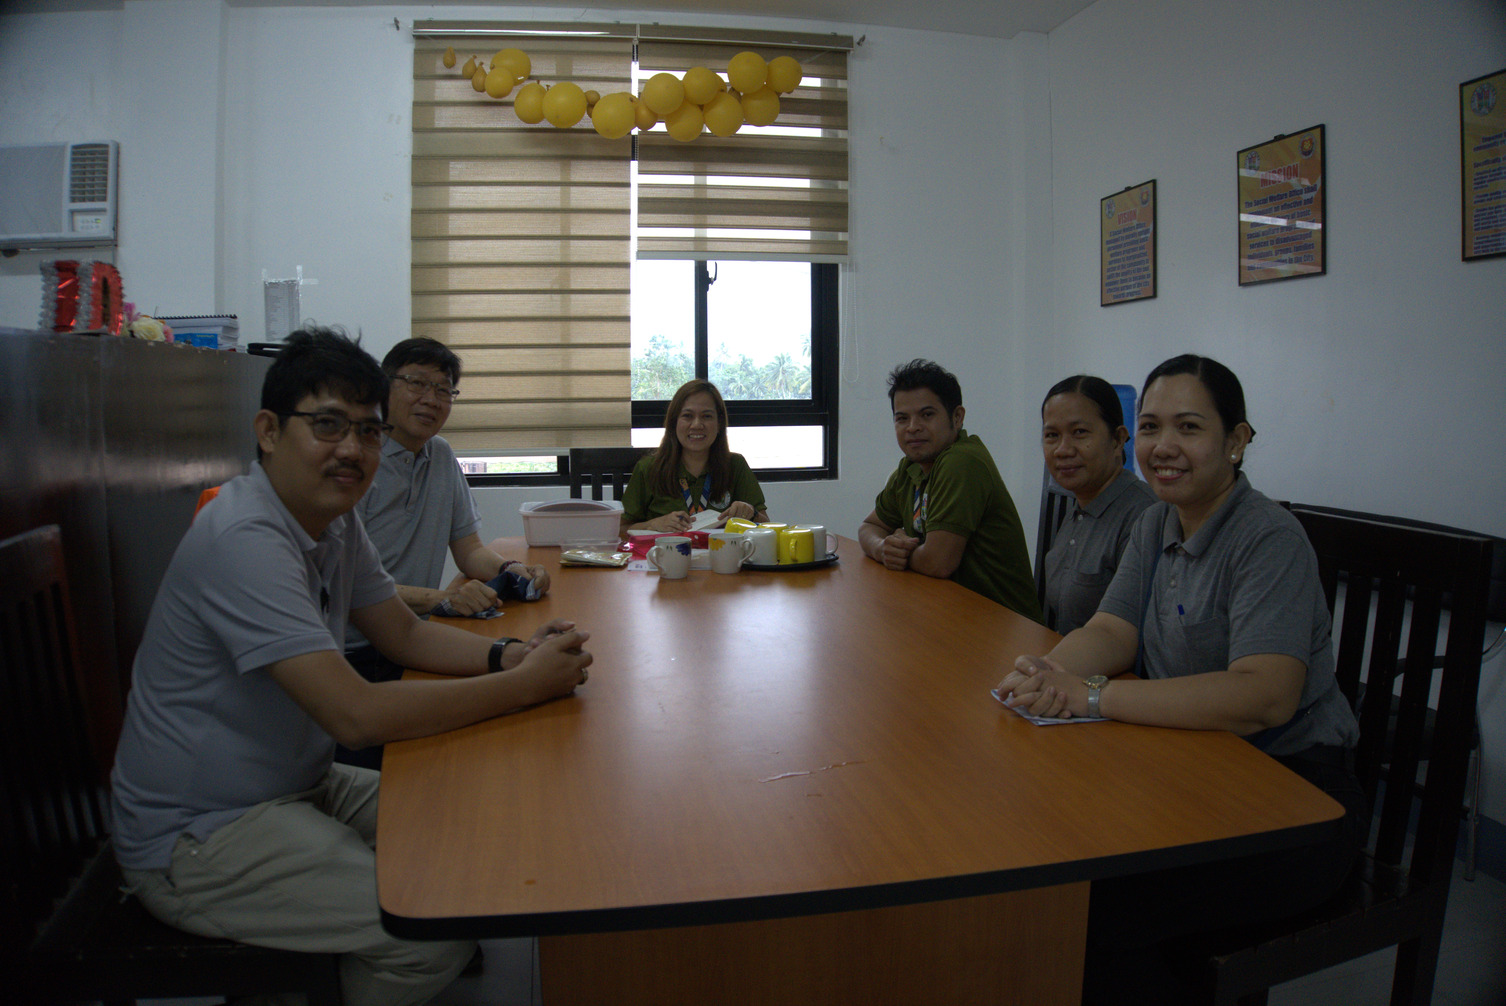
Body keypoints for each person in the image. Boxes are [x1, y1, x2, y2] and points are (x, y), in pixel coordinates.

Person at [109, 327, 593, 1006]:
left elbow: (402, 635)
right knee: (430, 930)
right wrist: (518, 688)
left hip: (295, 784)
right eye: (328, 425)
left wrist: (511, 653)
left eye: (366, 432)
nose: (353, 450)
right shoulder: (245, 535)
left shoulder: (332, 522)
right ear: (269, 431)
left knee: (469, 823)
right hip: (198, 835)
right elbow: (355, 716)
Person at [995, 353, 1364, 1005]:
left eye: (1189, 428)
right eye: (1151, 427)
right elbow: (1113, 630)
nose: (1163, 447)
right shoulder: (1155, 521)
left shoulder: (1267, 538)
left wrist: (1095, 696)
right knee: (1048, 864)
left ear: (1237, 440)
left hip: (1294, 802)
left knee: (1097, 911)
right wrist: (1046, 672)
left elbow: (1264, 695)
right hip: (1193, 772)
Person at [339, 338, 549, 769]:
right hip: (352, 655)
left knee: (504, 739)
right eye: (417, 383)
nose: (431, 399)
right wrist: (441, 599)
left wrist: (512, 570)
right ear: (384, 387)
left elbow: (469, 549)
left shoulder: (440, 455)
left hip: (413, 640)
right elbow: (346, 588)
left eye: (444, 390)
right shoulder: (356, 463)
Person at [858, 359, 1041, 621]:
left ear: (957, 417)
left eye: (927, 414)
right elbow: (868, 527)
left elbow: (937, 562)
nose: (913, 427)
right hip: (947, 614)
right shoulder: (911, 468)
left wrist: (902, 554)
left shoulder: (961, 461)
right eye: (902, 418)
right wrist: (883, 548)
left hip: (1005, 630)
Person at [1038, 374, 1155, 633]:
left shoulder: (1145, 517)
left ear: (1118, 439)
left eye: (1079, 432)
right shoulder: (1078, 506)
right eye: (1052, 435)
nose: (1062, 449)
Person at [621, 379, 768, 533]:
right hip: (665, 556)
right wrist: (652, 525)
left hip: (722, 555)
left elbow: (766, 527)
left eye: (707, 416)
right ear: (674, 422)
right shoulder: (649, 468)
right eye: (687, 416)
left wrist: (751, 513)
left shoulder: (735, 465)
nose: (697, 425)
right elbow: (620, 530)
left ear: (719, 424)